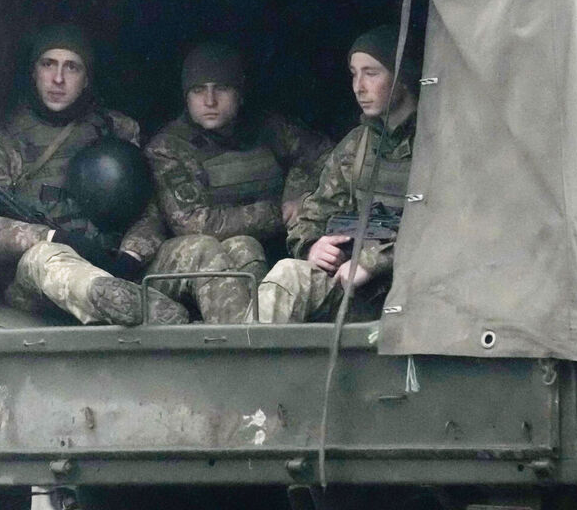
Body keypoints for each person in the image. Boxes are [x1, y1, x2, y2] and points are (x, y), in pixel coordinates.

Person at [0, 24, 187, 326]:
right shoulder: (6, 140)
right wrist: (53, 237)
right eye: (48, 64)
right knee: (46, 258)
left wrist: (130, 257)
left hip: (119, 264)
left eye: (71, 67)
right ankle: (127, 303)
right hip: (42, 280)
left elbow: (149, 211)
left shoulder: (117, 130)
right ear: (34, 72)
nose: (58, 79)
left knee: (201, 250)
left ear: (86, 79)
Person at [143, 42, 332, 323]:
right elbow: (196, 224)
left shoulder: (268, 129)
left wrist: (298, 191)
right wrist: (277, 212)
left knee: (247, 248)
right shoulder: (169, 147)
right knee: (242, 246)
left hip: (262, 256)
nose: (209, 101)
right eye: (198, 91)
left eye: (221, 88)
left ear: (240, 94)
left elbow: (327, 156)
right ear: (186, 97)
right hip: (192, 266)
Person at [256, 25, 419, 323]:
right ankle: (248, 368)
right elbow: (313, 216)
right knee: (287, 276)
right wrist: (313, 246)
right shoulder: (358, 145)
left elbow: (451, 229)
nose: (359, 87)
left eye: (371, 73)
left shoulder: (440, 144)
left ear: (403, 78)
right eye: (354, 74)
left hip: (421, 296)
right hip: (360, 293)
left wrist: (372, 262)